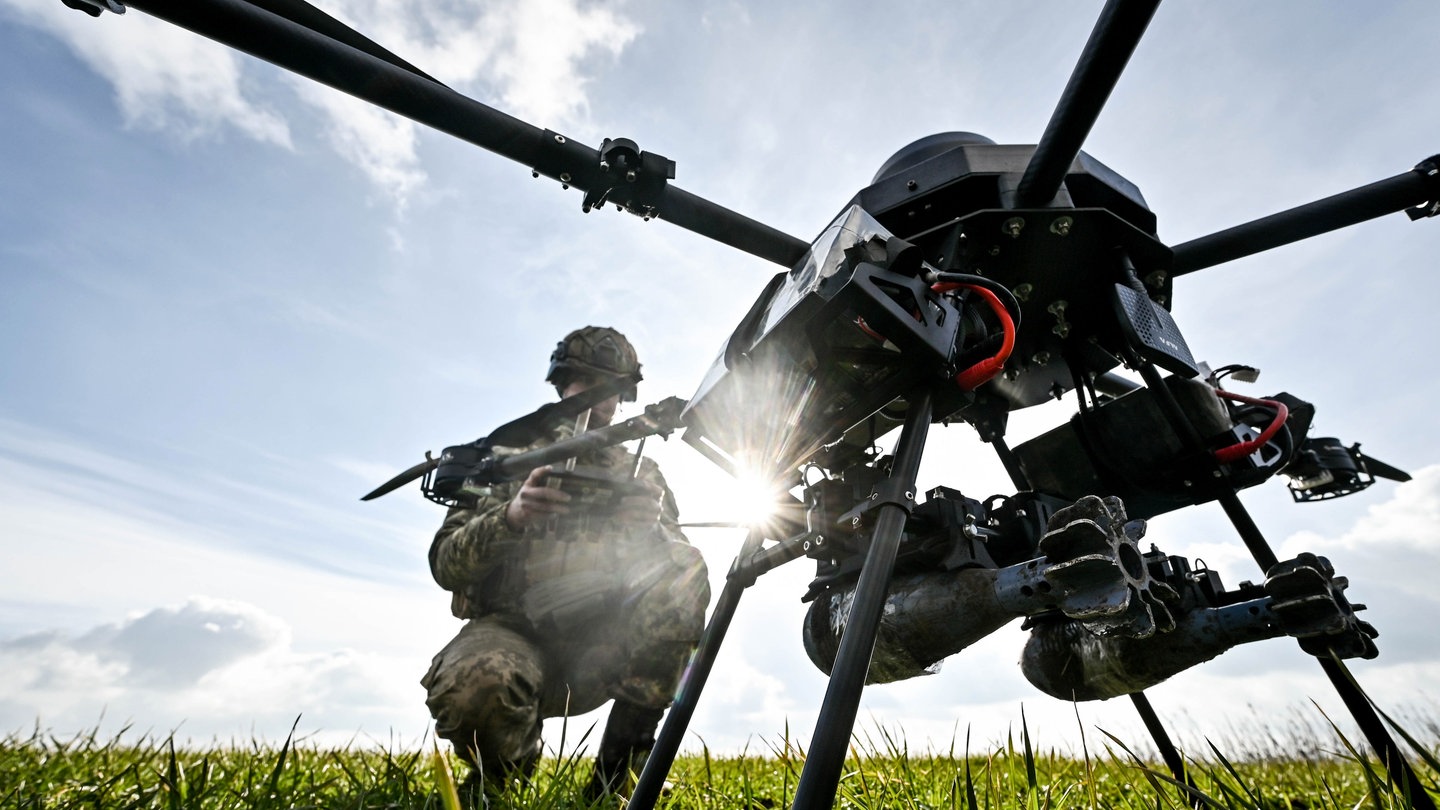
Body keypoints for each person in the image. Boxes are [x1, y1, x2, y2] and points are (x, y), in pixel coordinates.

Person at [421, 326, 711, 801]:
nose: (597, 400)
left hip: (604, 645)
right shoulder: (505, 459)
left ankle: (617, 782)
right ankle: (502, 779)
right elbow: (444, 563)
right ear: (561, 384)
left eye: (611, 389)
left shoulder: (642, 470)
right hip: (512, 632)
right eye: (583, 383)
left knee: (684, 567)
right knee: (476, 684)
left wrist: (649, 527)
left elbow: (682, 570)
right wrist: (511, 517)